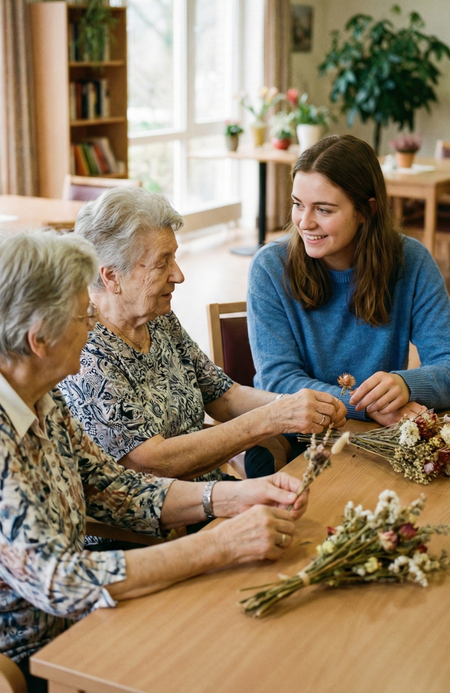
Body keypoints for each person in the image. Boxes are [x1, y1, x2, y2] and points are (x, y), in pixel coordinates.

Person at [0, 230, 309, 691]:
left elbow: (112, 487)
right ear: (39, 341)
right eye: (82, 315)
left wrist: (232, 496)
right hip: (37, 658)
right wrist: (218, 545)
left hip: (89, 621)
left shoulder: (41, 400)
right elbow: (61, 581)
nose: (93, 325)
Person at [59, 187, 346, 488]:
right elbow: (153, 462)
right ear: (111, 276)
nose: (178, 275)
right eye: (162, 262)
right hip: (159, 525)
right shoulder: (86, 352)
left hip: (206, 495)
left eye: (175, 258)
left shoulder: (157, 319)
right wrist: (272, 418)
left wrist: (296, 405)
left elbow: (225, 396)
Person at [246, 134, 450, 475]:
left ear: (366, 210)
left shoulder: (412, 262)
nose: (304, 222)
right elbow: (277, 380)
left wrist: (405, 384)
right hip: (292, 439)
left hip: (381, 436)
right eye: (298, 204)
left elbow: (447, 362)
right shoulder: (270, 267)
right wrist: (366, 406)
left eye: (323, 209)